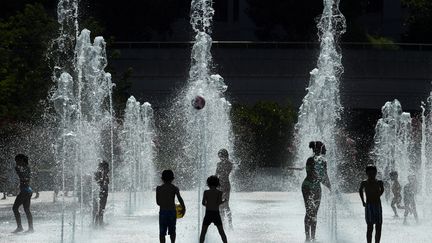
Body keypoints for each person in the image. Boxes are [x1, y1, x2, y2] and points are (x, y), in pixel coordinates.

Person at [301, 141, 331, 242]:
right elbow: (311, 174)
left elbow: (325, 177)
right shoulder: (310, 160)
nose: (326, 150)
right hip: (308, 186)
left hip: (317, 187)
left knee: (315, 213)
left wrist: (331, 187)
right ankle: (307, 237)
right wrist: (322, 181)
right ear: (320, 149)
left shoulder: (324, 161)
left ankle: (313, 237)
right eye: (324, 148)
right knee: (309, 211)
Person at [156, 170, 186, 243]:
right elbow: (180, 198)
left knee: (162, 232)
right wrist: (184, 208)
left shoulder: (159, 188)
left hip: (163, 212)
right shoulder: (174, 188)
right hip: (172, 212)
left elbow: (158, 202)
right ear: (173, 178)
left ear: (162, 178)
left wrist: (164, 203)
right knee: (172, 231)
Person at [359, 165, 384, 243]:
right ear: (366, 173)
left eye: (373, 173)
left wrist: (378, 195)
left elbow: (382, 189)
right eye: (370, 173)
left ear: (376, 173)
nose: (372, 175)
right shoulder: (364, 183)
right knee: (370, 227)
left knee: (379, 226)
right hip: (369, 205)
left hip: (377, 205)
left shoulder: (379, 182)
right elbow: (360, 190)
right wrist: (363, 201)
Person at [200, 175, 228, 243]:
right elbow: (218, 203)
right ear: (217, 183)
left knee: (203, 233)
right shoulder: (219, 193)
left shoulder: (206, 192)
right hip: (216, 214)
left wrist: (209, 205)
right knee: (221, 232)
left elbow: (203, 203)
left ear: (208, 183)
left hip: (208, 213)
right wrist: (224, 201)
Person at [12, 154, 34, 233]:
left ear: (21, 160)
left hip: (25, 191)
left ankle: (20, 227)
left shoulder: (26, 169)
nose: (16, 162)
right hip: (28, 191)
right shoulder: (26, 168)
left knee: (15, 208)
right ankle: (31, 228)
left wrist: (18, 172)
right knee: (27, 210)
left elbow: (25, 179)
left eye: (17, 161)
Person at [215, 149, 233, 228]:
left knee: (225, 205)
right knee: (220, 206)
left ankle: (230, 223)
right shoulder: (218, 164)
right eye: (219, 156)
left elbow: (226, 172)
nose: (221, 158)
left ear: (226, 156)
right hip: (219, 186)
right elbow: (216, 174)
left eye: (222, 156)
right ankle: (223, 224)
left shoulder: (229, 164)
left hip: (226, 186)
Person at [94, 161, 110, 227]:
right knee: (99, 208)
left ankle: (100, 222)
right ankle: (97, 224)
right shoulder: (100, 174)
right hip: (101, 193)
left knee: (101, 208)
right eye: (107, 168)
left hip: (104, 193)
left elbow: (107, 182)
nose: (108, 170)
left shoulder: (103, 174)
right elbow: (99, 183)